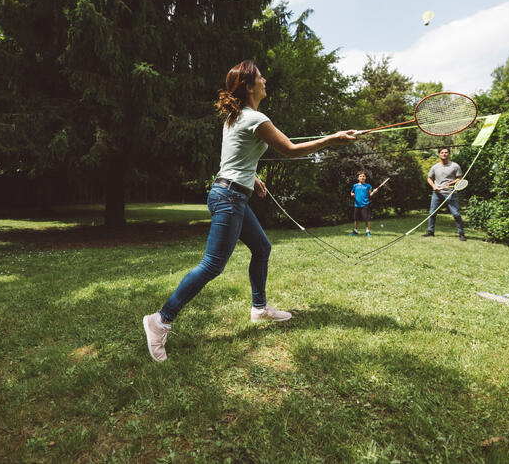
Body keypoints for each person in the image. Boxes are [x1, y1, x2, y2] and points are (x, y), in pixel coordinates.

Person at [142, 59, 357, 361]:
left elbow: (234, 159)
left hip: (231, 194)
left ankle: (259, 308)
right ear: (249, 85)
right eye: (260, 76)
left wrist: (253, 179)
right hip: (229, 198)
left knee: (261, 247)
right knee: (212, 265)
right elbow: (291, 150)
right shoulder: (255, 118)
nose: (265, 79)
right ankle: (160, 320)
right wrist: (333, 139)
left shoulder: (236, 118)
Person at [423, 146, 467, 241]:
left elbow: (459, 178)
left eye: (446, 152)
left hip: (451, 193)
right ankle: (430, 232)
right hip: (437, 193)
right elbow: (429, 178)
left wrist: (450, 184)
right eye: (442, 152)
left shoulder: (455, 166)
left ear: (449, 154)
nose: (444, 154)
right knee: (432, 213)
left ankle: (461, 234)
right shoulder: (435, 167)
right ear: (439, 154)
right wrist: (434, 186)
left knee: (456, 214)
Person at [350, 171, 380, 237]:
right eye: (360, 176)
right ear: (358, 178)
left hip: (365, 204)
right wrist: (352, 194)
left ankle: (367, 231)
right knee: (356, 219)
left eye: (363, 176)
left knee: (367, 219)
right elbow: (351, 192)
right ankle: (355, 231)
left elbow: (370, 194)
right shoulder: (355, 186)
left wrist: (374, 192)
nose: (362, 177)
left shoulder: (368, 186)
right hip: (357, 205)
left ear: (365, 178)